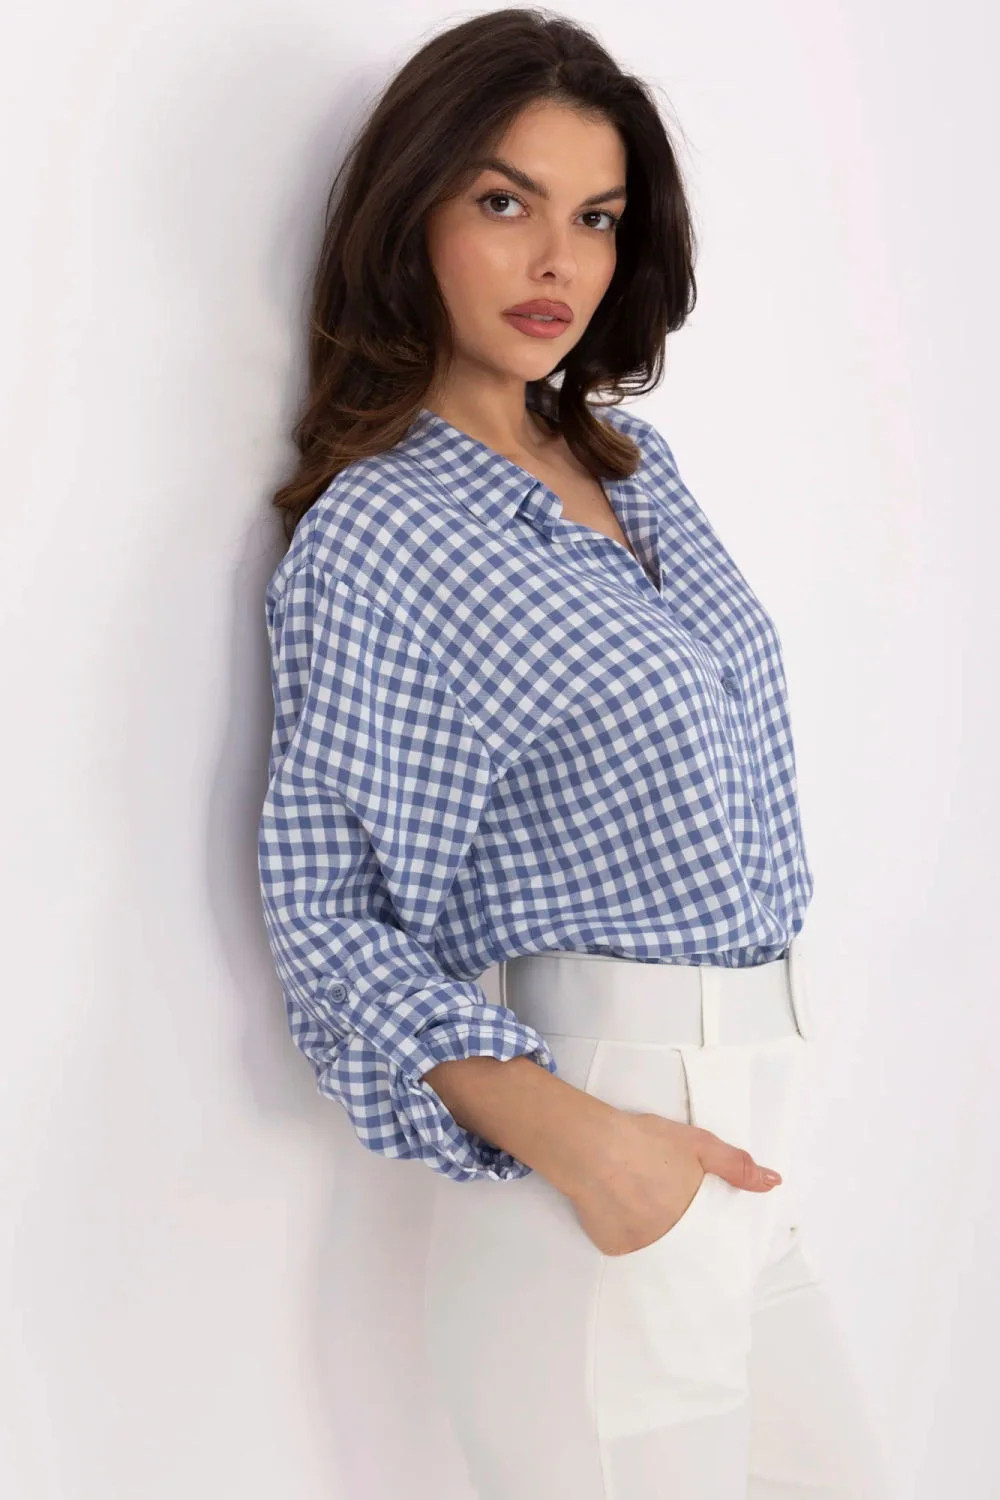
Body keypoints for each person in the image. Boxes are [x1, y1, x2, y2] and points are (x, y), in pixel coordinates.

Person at [256, 9, 891, 1496]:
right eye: (505, 203)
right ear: (410, 215)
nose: (557, 262)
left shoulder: (636, 468)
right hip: (600, 1146)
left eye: (595, 218)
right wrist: (595, 1149)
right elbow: (328, 913)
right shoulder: (382, 533)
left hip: (752, 1139)